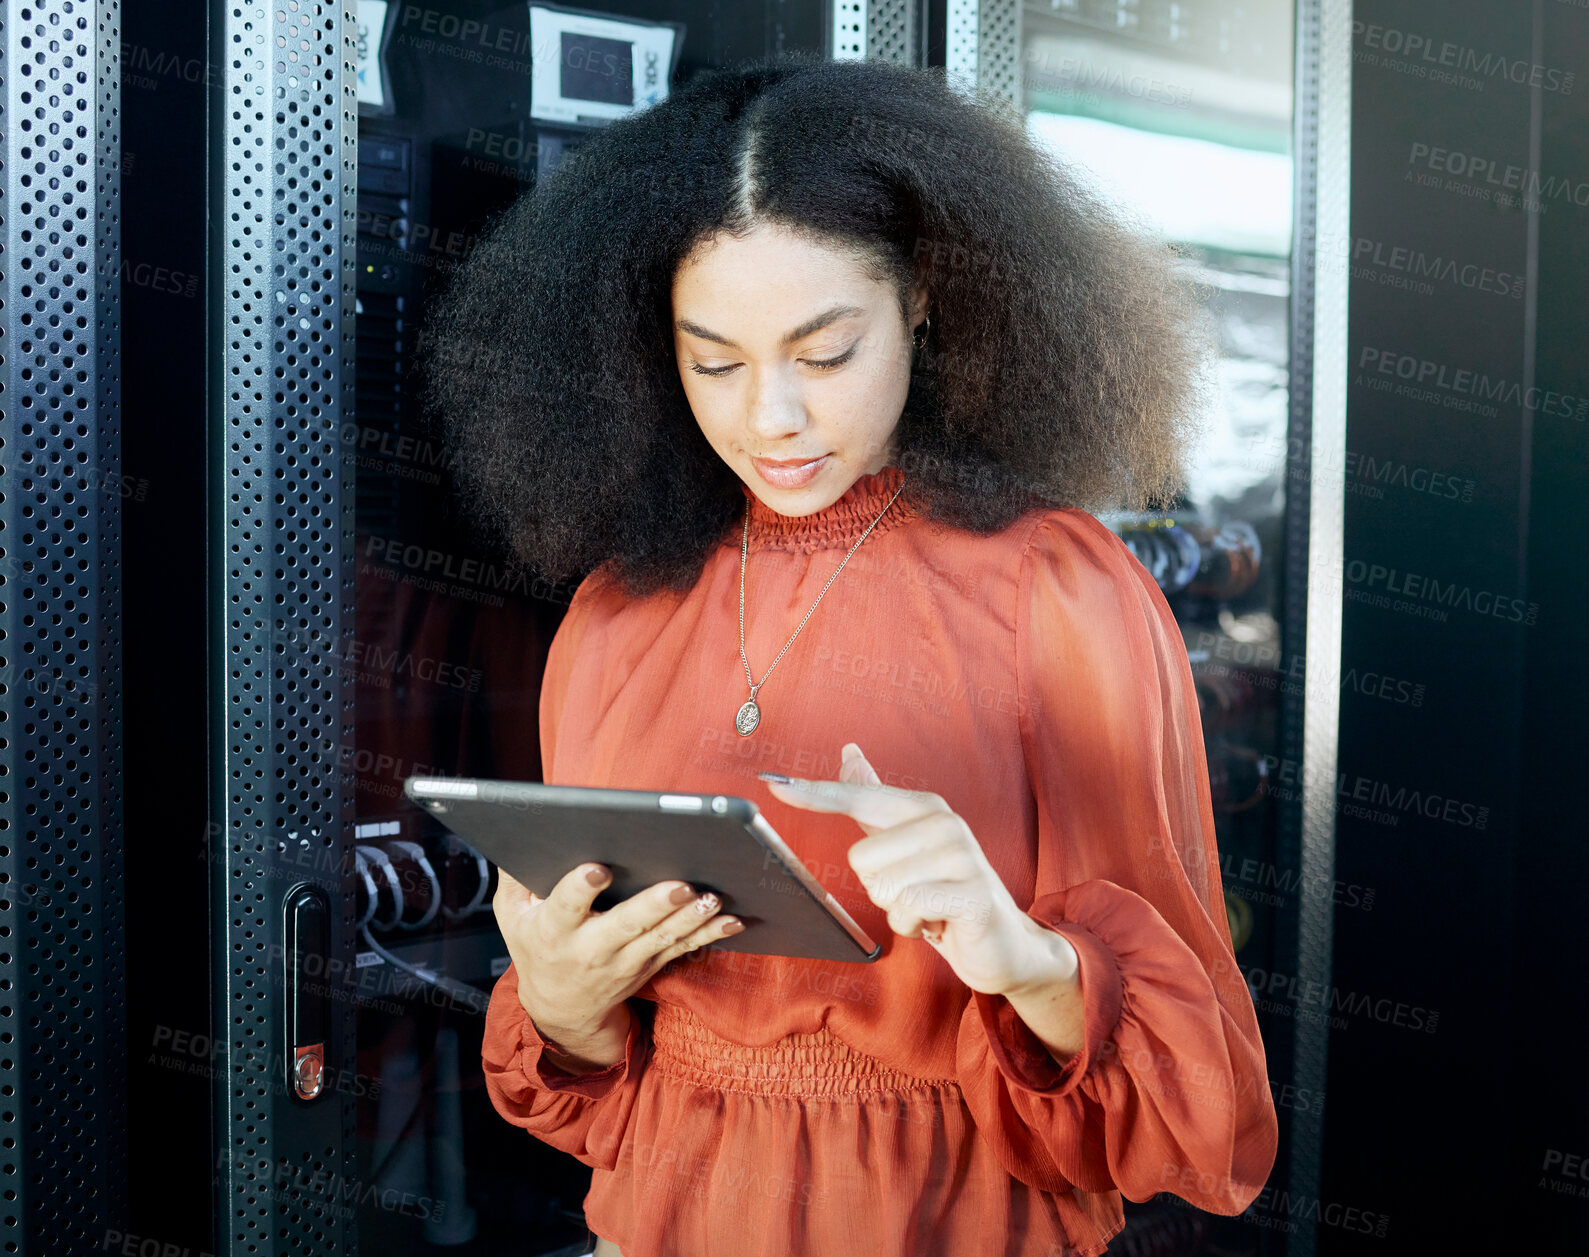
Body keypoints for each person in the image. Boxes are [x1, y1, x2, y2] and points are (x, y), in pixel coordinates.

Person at [421, 51, 1278, 1257]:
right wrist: (564, 1007)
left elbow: (1199, 1104)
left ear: (923, 299)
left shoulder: (1054, 589)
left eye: (823, 353)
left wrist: (1031, 965)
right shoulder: (616, 615)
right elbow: (590, 1100)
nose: (768, 416)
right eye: (712, 361)